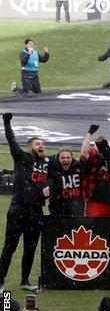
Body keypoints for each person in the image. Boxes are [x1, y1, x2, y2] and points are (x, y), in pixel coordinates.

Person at [0, 113, 48, 293]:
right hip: (18, 208)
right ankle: (0, 281)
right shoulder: (21, 158)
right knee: (9, 247)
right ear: (29, 147)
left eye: (42, 144)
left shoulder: (47, 162)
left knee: (30, 248)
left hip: (36, 211)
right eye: (37, 143)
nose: (41, 146)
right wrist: (7, 122)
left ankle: (25, 281)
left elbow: (65, 163)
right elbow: (11, 141)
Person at [80, 126, 110, 217]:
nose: (101, 147)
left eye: (103, 145)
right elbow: (84, 154)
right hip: (94, 199)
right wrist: (89, 134)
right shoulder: (93, 156)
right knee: (94, 227)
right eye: (98, 145)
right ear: (94, 147)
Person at [43, 147, 86, 217]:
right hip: (58, 209)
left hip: (77, 209)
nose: (65, 160)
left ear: (72, 158)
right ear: (58, 158)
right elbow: (50, 182)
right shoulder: (53, 170)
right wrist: (47, 189)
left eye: (68, 157)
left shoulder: (78, 167)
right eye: (63, 158)